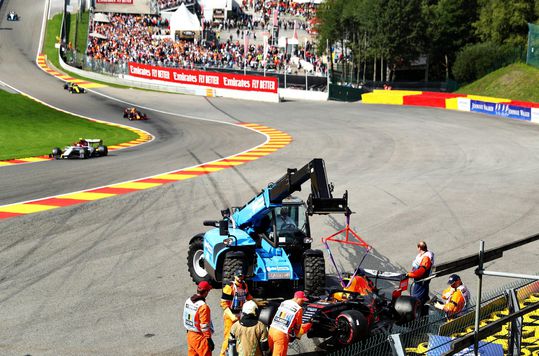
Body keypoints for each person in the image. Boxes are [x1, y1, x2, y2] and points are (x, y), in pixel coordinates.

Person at [268, 291, 312, 356]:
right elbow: (298, 326)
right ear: (296, 298)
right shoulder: (299, 309)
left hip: (271, 330)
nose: (302, 303)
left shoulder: (284, 302)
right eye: (302, 300)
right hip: (281, 334)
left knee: (269, 352)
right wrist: (295, 335)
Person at [220, 269, 253, 356]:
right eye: (238, 276)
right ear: (235, 276)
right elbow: (224, 304)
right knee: (228, 337)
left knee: (240, 337)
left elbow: (248, 296)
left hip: (240, 314)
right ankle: (222, 354)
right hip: (230, 315)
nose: (240, 278)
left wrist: (256, 302)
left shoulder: (244, 285)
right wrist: (231, 316)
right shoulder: (229, 287)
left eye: (241, 276)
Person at [183, 281, 215, 356]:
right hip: (200, 338)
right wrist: (209, 340)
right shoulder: (203, 307)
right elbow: (204, 326)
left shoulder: (188, 301)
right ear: (206, 292)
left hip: (190, 335)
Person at [406, 240, 435, 315]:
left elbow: (421, 271)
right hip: (422, 281)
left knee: (416, 298)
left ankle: (417, 317)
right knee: (424, 298)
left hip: (421, 281)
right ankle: (424, 315)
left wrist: (409, 274)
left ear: (419, 248)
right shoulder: (424, 255)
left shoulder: (426, 258)